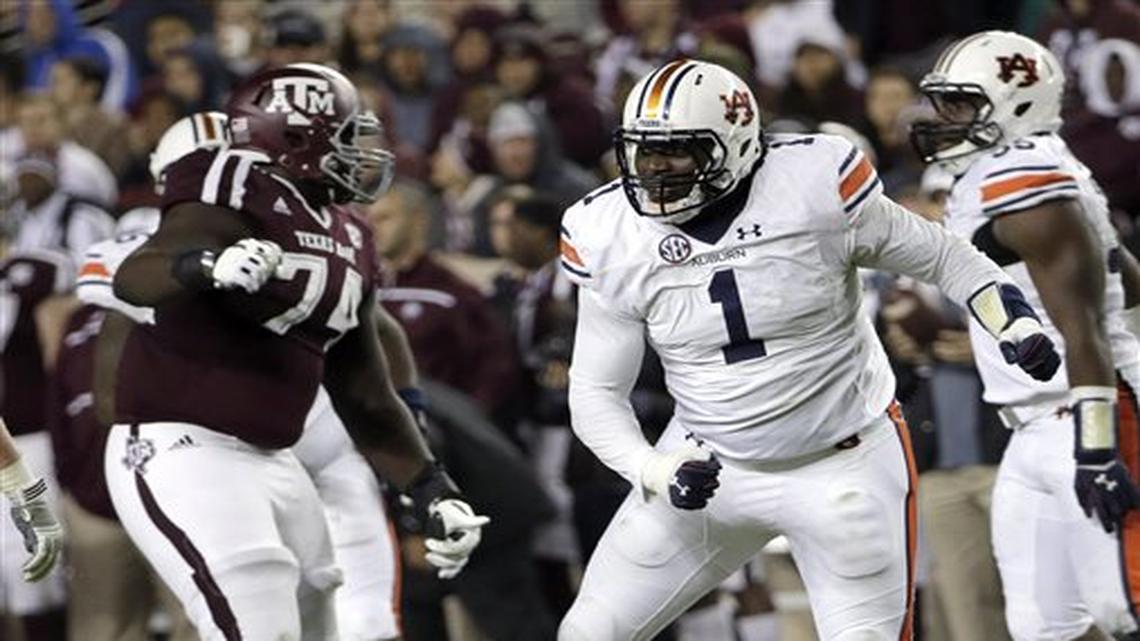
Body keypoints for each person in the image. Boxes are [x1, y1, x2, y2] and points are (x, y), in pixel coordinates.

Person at [557, 59, 1060, 641]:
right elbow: (595, 391)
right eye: (643, 152)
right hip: (705, 457)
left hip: (841, 463)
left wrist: (1012, 324)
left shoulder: (811, 187)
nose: (653, 171)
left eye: (675, 153)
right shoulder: (610, 230)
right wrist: (651, 467)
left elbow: (944, 256)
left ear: (735, 145)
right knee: (589, 632)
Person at [105, 63, 487, 640]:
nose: (363, 153)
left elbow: (365, 391)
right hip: (184, 445)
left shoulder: (350, 233)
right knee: (259, 624)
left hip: (275, 459)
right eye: (346, 136)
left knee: (321, 628)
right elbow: (137, 275)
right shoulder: (230, 178)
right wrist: (207, 266)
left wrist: (431, 488)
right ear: (292, 137)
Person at [911, 30, 1140, 640]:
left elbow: (1086, 321)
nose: (941, 119)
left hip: (1087, 415)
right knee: (1042, 627)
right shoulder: (1015, 168)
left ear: (1013, 105)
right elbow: (1132, 287)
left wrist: (1100, 445)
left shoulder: (1025, 176)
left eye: (960, 104)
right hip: (1030, 423)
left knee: (1126, 609)